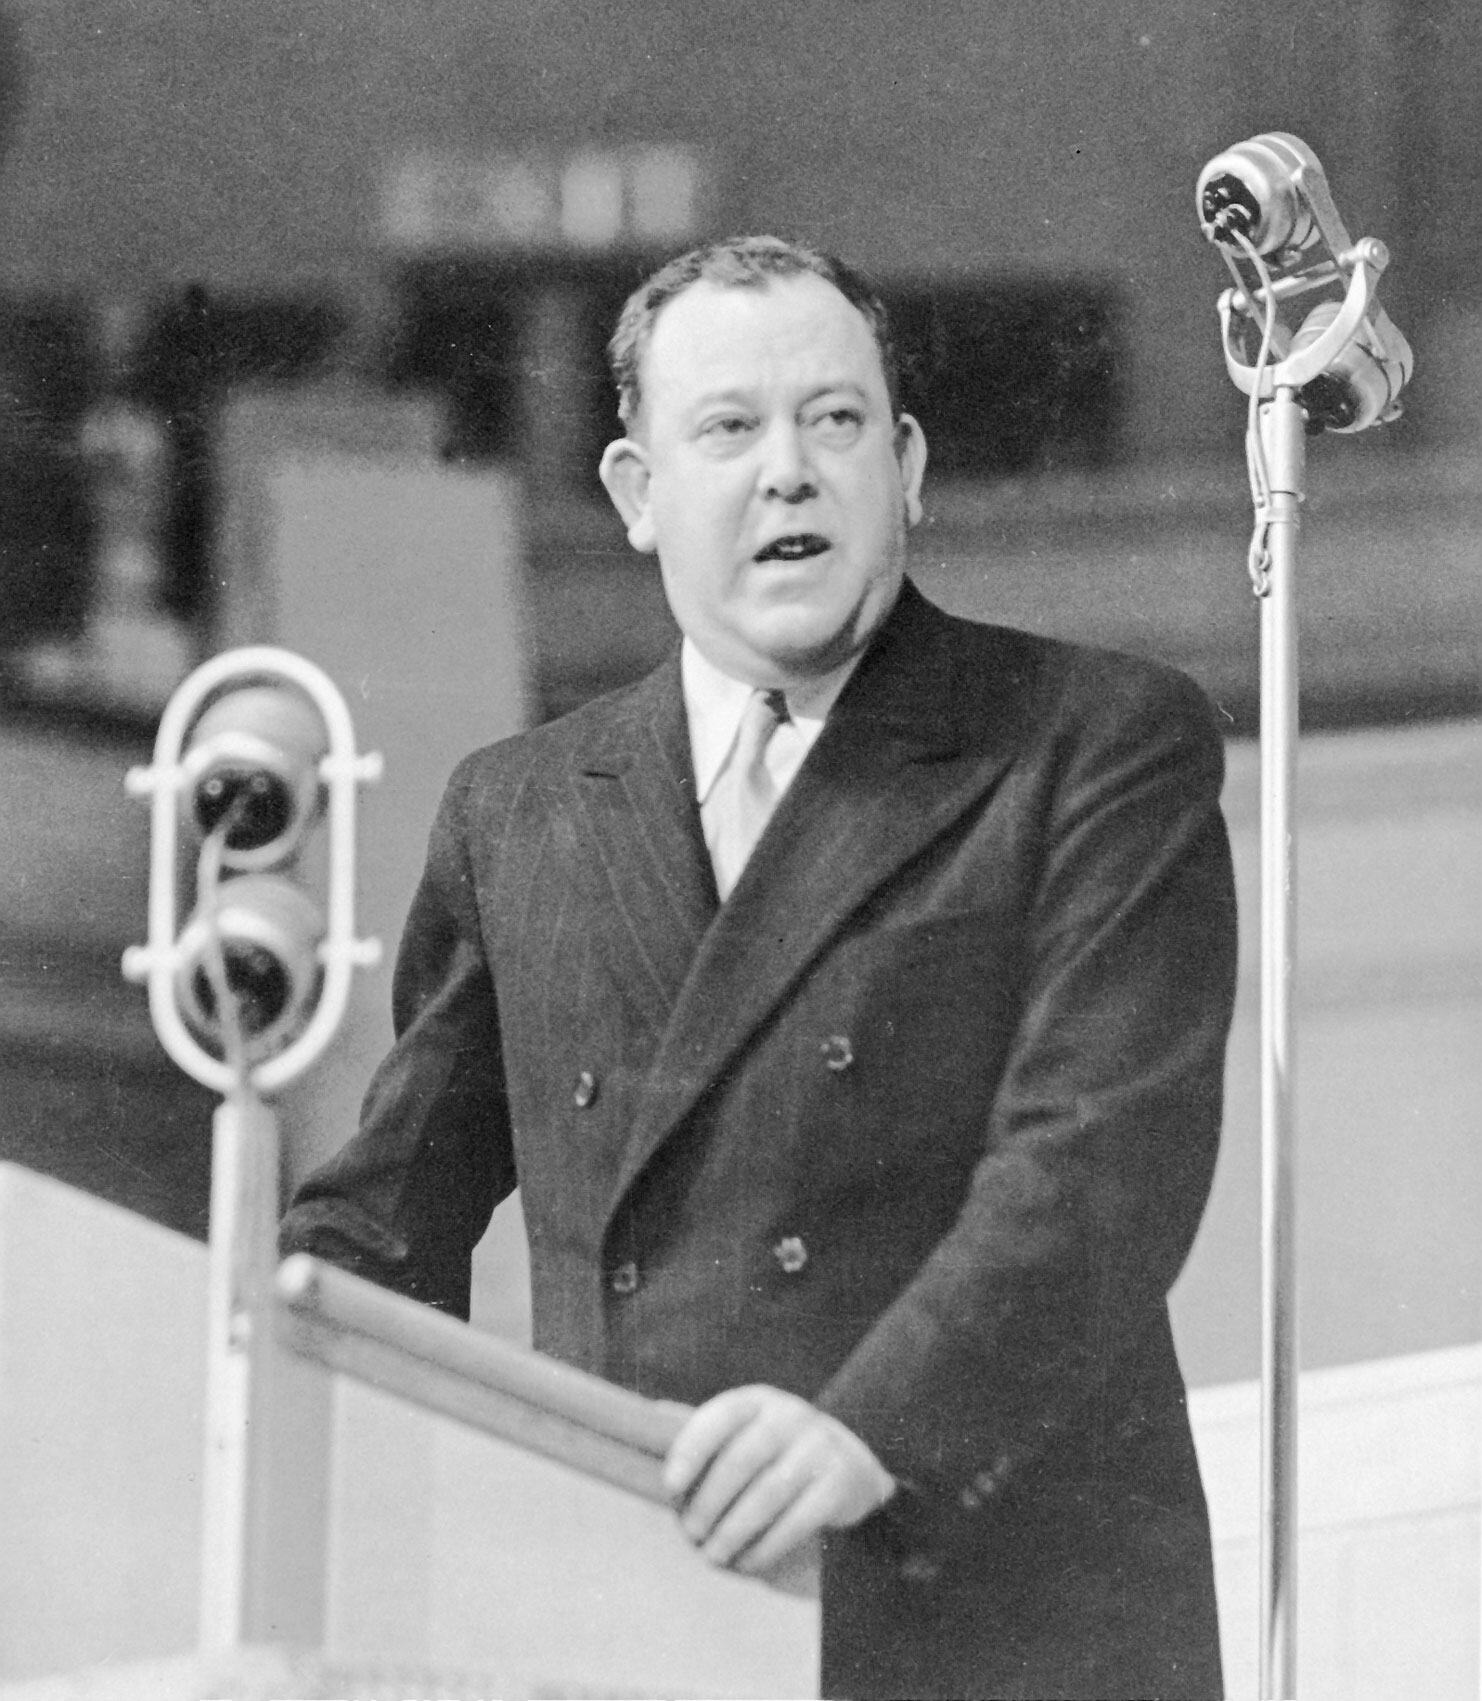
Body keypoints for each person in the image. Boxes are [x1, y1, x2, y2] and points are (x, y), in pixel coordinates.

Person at [280, 234, 1237, 1700]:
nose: (787, 471)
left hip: (996, 1623)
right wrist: (246, 1357)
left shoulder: (1087, 739)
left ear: (905, 466)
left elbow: (1101, 1160)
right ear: (635, 494)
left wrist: (869, 1430)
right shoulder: (516, 811)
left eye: (834, 421)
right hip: (641, 1618)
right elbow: (384, 1231)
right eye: (727, 429)